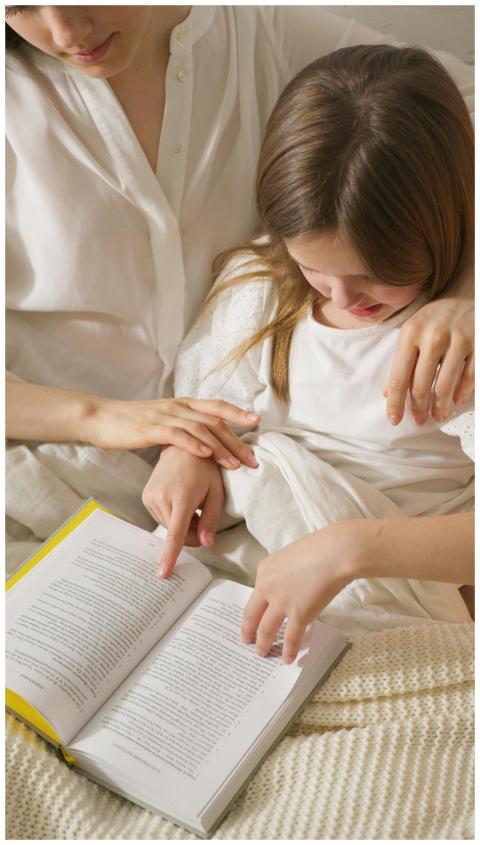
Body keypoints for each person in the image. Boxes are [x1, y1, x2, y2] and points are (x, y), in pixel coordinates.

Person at [5, 7, 474, 557]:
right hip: (72, 465)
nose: (67, 32)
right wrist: (110, 421)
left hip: (262, 519)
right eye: (18, 6)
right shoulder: (257, 289)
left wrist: (466, 287)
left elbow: (454, 138)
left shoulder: (263, 30)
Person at [151, 45, 474, 646]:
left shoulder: (457, 337)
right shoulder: (258, 287)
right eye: (314, 268)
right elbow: (204, 409)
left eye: (377, 272)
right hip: (250, 554)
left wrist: (349, 549)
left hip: (391, 580)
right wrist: (186, 451)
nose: (344, 296)